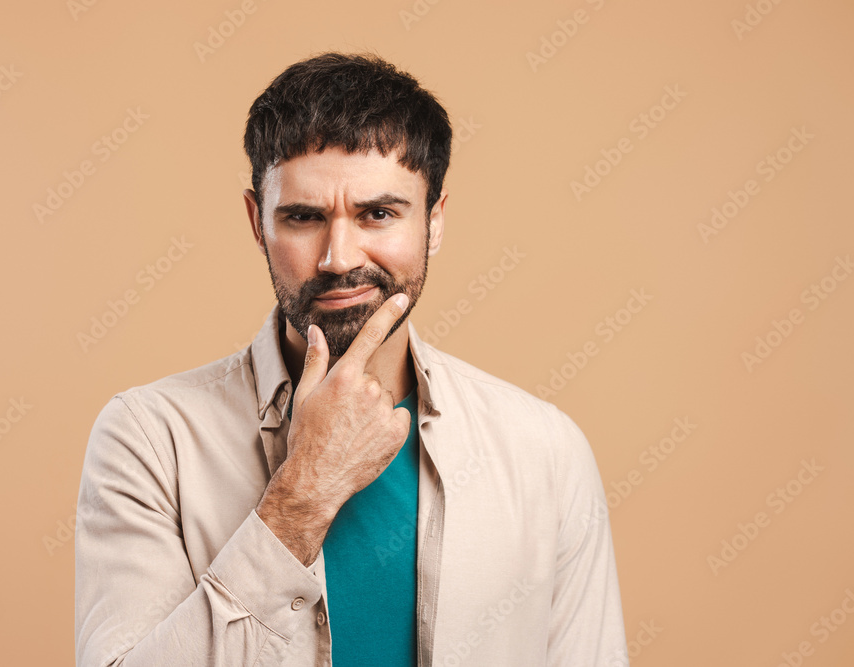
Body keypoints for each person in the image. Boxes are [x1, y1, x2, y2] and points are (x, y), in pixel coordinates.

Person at [75, 51, 628, 667]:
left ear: (434, 221)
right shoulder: (149, 441)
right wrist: (303, 494)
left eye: (379, 214)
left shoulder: (544, 449)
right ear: (257, 223)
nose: (339, 257)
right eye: (303, 217)